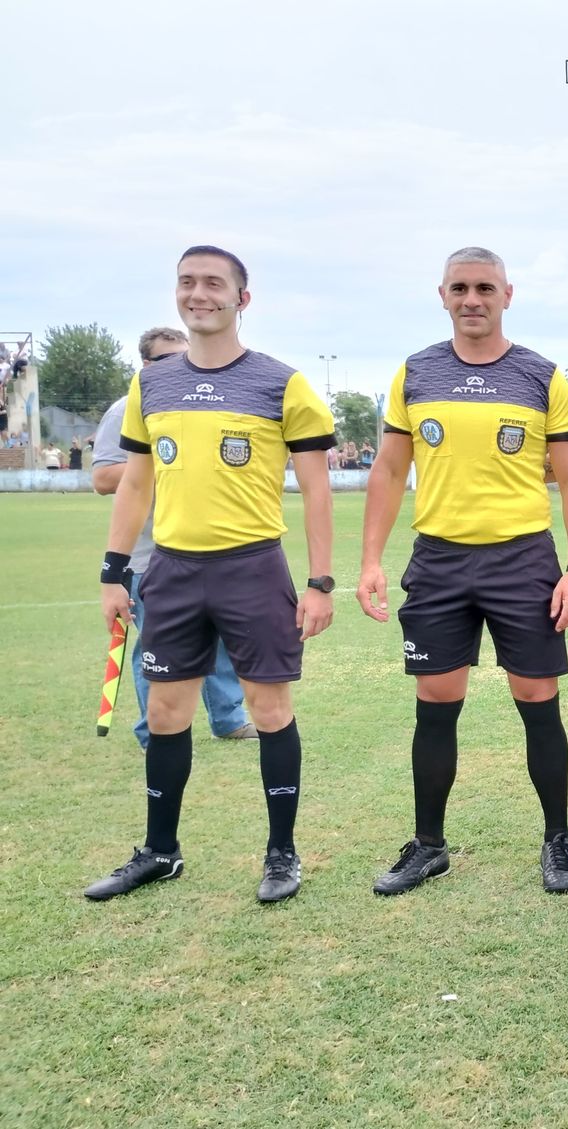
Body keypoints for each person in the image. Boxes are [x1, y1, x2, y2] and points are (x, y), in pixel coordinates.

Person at [88, 245, 336, 904]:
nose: (199, 293)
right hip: (171, 568)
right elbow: (135, 481)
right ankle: (160, 851)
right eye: (187, 282)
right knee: (166, 712)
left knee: (268, 708)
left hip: (252, 567)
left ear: (241, 299)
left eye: (214, 283)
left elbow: (315, 489)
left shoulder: (282, 383)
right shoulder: (152, 383)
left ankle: (282, 853)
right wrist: (114, 571)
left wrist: (320, 582)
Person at [358, 246, 568, 896]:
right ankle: (428, 845)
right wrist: (372, 559)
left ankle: (557, 838)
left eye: (484, 287)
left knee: (537, 700)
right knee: (435, 703)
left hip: (522, 560)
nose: (472, 299)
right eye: (460, 287)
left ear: (507, 294)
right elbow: (388, 469)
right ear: (442, 294)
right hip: (437, 559)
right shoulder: (416, 372)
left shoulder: (542, 376)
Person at [91, 326, 256, 751]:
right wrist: (166, 463)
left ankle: (229, 718)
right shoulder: (128, 408)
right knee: (158, 650)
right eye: (166, 360)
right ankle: (154, 731)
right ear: (145, 365)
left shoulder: (202, 404)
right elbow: (104, 477)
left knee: (218, 642)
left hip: (207, 552)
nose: (178, 367)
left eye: (183, 356)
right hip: (148, 556)